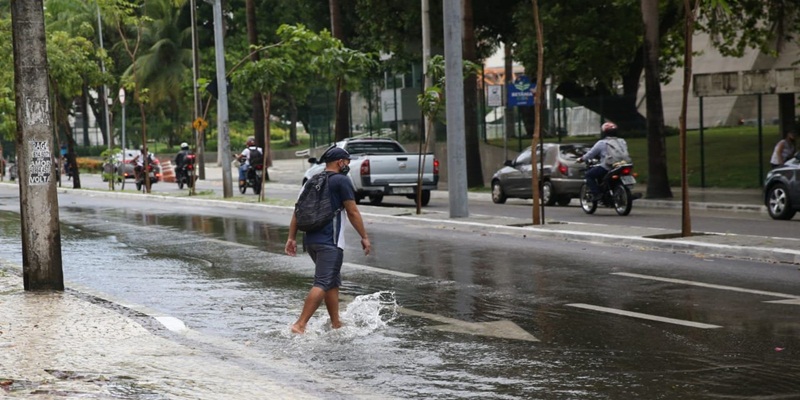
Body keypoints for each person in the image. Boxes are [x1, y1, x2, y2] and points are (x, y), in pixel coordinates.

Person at [284, 147, 371, 334]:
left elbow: (297, 211)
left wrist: (292, 237)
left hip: (311, 241)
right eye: (346, 162)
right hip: (330, 242)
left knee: (332, 280)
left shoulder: (313, 180)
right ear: (340, 162)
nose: (347, 165)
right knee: (323, 282)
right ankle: (300, 325)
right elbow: (352, 211)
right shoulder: (342, 181)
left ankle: (335, 322)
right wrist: (364, 236)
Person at [577, 122, 629, 201]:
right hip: (623, 164)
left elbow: (590, 154)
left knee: (589, 175)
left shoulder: (601, 143)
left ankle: (597, 194)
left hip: (608, 166)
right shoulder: (622, 141)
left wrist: (581, 159)